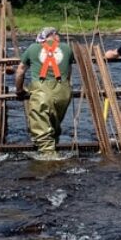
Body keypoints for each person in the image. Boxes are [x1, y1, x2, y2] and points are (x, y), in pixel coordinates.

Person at [15, 27, 75, 160]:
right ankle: (54, 148)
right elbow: (69, 70)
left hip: (41, 91)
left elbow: (20, 71)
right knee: (55, 125)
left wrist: (19, 89)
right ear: (54, 35)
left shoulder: (33, 48)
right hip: (63, 92)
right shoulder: (67, 48)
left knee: (41, 127)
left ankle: (49, 160)